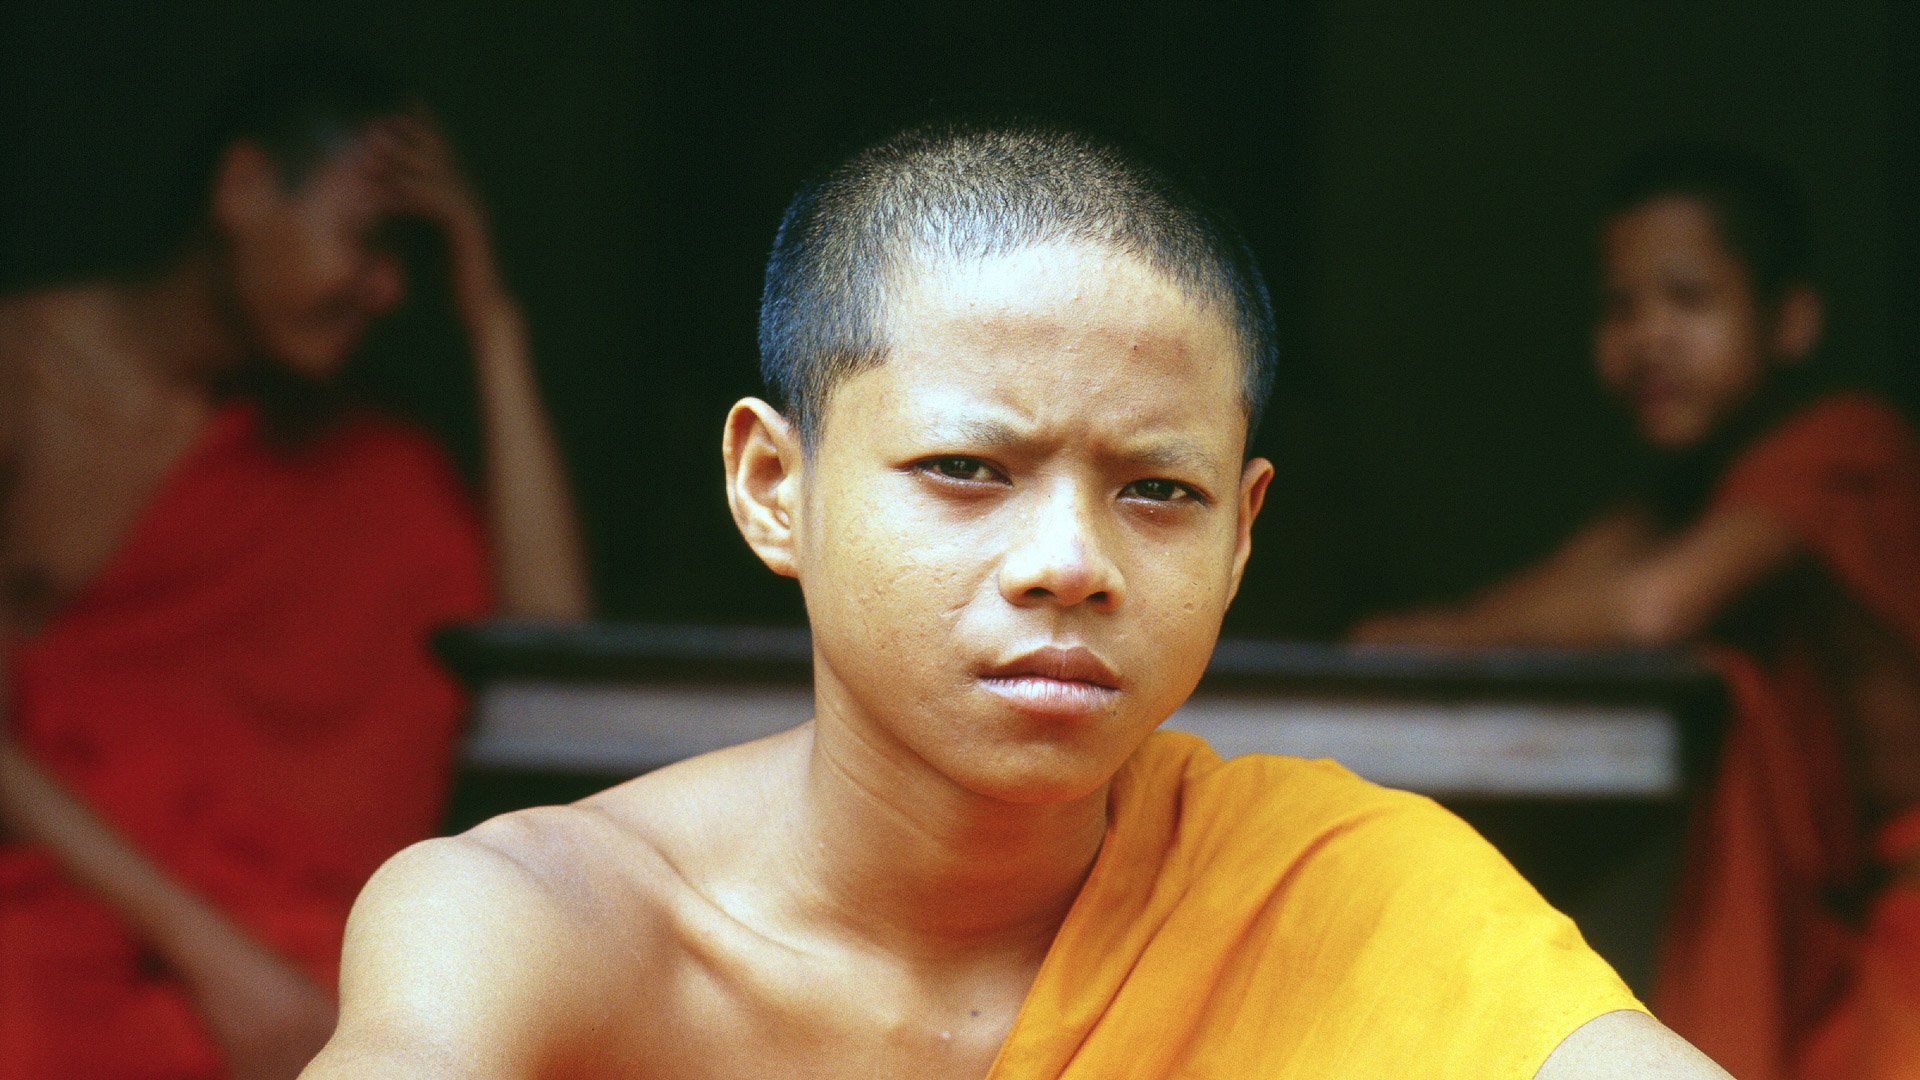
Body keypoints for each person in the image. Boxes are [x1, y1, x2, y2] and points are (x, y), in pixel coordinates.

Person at [305, 115, 1725, 1078]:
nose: (1072, 561)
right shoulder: (540, 925)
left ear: (1244, 533)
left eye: (1158, 491)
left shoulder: (1331, 894)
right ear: (770, 486)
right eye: (968, 467)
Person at [0, 47, 588, 1079]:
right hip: (68, 917)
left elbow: (556, 666)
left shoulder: (365, 464)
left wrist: (491, 315)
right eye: (368, 240)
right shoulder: (25, 379)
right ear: (242, 188)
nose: (389, 288)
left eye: (414, 259)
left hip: (297, 943)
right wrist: (211, 955)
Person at [1352, 144, 1920, 1079]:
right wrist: (1419, 638)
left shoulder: (1841, 444)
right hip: (1845, 911)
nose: (1649, 335)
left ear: (1790, 320)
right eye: (1620, 307)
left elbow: (1653, 606)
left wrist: (1438, 641)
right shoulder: (1696, 492)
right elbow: (1582, 578)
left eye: (1689, 299)